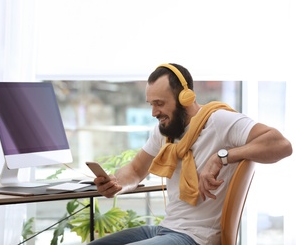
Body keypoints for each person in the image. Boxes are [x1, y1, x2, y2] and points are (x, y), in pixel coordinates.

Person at [88, 63, 293, 245]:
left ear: (185, 98)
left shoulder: (219, 121)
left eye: (160, 103)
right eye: (151, 104)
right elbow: (135, 170)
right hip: (166, 228)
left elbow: (281, 144)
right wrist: (117, 184)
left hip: (197, 237)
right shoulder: (164, 131)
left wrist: (222, 156)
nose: (154, 113)